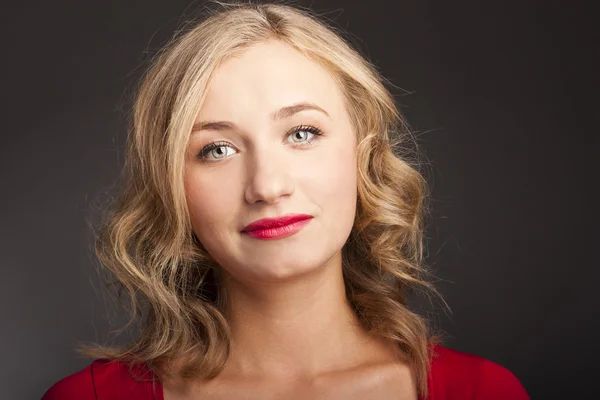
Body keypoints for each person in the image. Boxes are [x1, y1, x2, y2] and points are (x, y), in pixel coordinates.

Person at [42, 2, 529, 399]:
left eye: (302, 132)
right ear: (171, 185)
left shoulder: (484, 391)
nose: (268, 186)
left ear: (364, 157)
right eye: (217, 149)